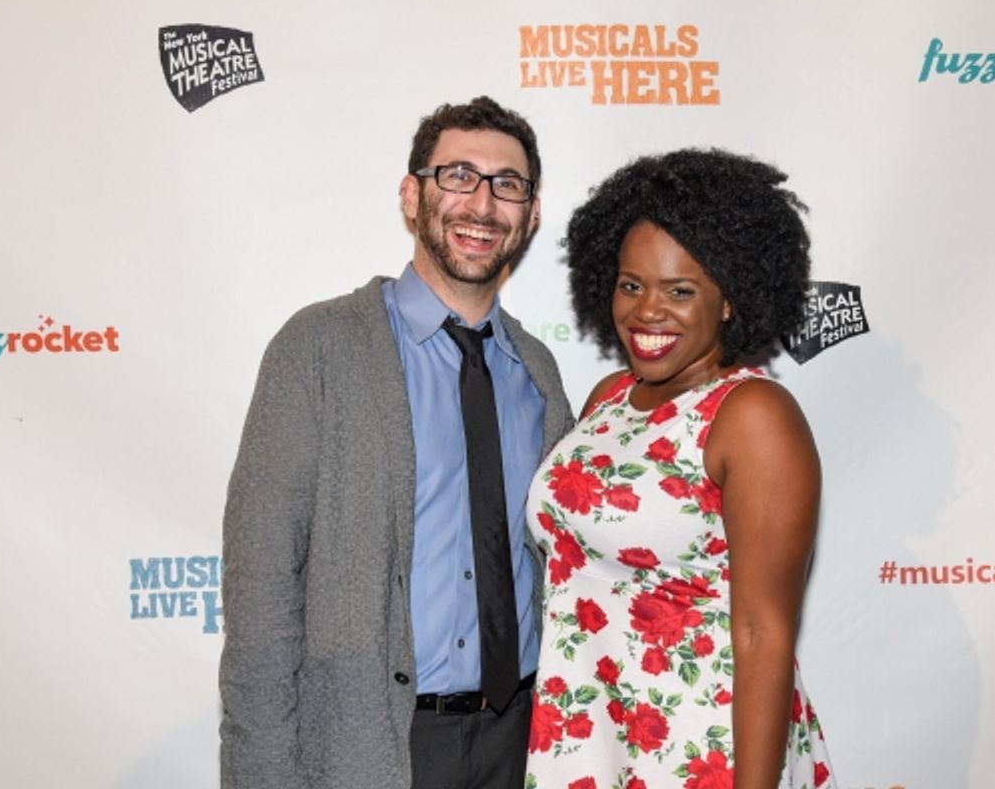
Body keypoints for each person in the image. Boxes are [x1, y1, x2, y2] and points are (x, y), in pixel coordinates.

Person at [219, 96, 574, 789]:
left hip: (524, 743)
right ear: (413, 196)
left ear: (530, 214)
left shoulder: (536, 371)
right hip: (379, 746)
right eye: (458, 176)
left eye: (508, 184)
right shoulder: (319, 348)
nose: (482, 203)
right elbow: (261, 586)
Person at [524, 149, 835, 788]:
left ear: (730, 299)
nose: (647, 311)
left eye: (680, 290)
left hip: (703, 748)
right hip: (593, 731)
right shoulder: (610, 397)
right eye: (631, 284)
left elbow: (762, 633)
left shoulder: (753, 415)